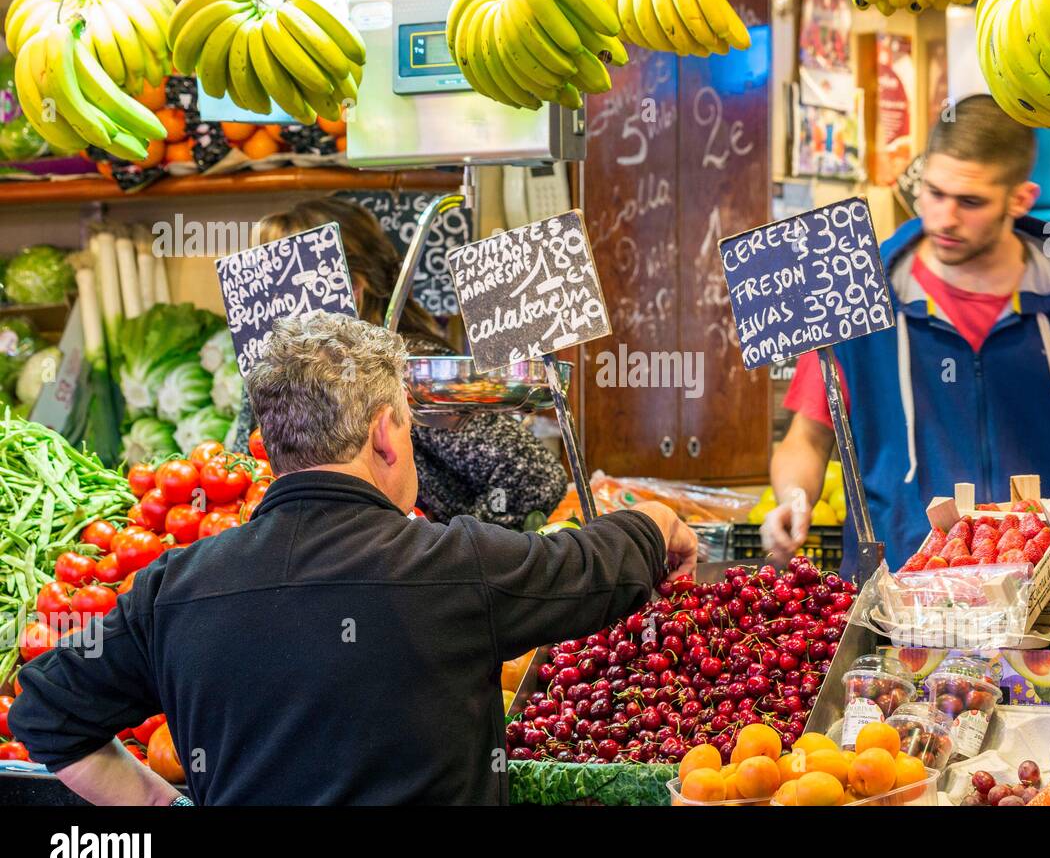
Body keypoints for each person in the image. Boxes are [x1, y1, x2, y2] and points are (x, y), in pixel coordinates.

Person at [9, 312, 697, 805]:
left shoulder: (176, 589)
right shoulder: (454, 566)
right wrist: (659, 522)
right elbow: (587, 567)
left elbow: (44, 714)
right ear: (384, 436)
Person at [763, 95, 1050, 575]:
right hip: (897, 596)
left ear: (1020, 199)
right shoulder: (857, 290)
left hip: (1048, 596)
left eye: (970, 202)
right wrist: (793, 499)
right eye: (933, 193)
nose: (944, 219)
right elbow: (806, 438)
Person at [236, 197, 569, 529]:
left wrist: (448, 559)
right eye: (260, 287)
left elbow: (533, 476)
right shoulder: (270, 374)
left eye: (281, 286)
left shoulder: (408, 370)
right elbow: (238, 471)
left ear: (354, 287)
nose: (266, 305)